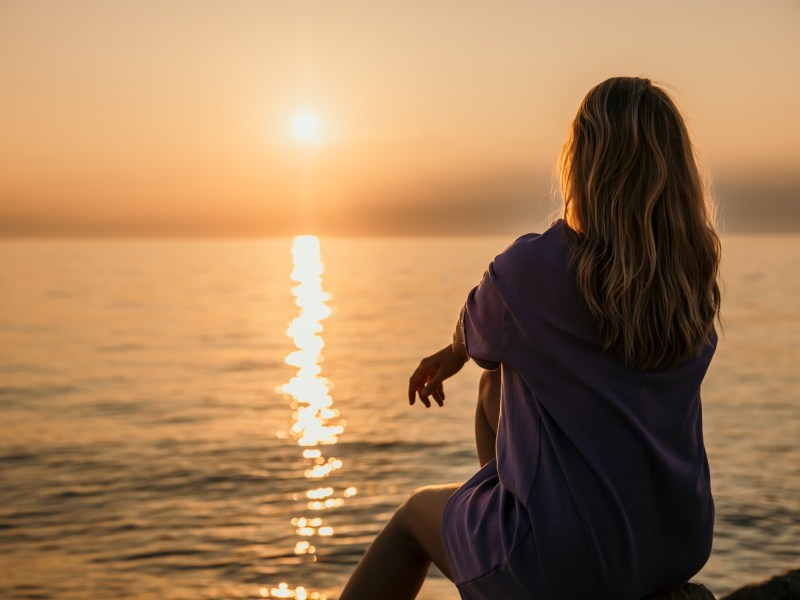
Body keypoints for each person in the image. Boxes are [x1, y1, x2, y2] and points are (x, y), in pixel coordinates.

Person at [339, 76, 721, 600]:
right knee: (495, 384)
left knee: (411, 519)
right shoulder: (691, 283)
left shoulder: (529, 270)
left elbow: (476, 334)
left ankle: (511, 565)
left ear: (582, 163)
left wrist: (453, 353)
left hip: (567, 566)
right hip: (672, 547)